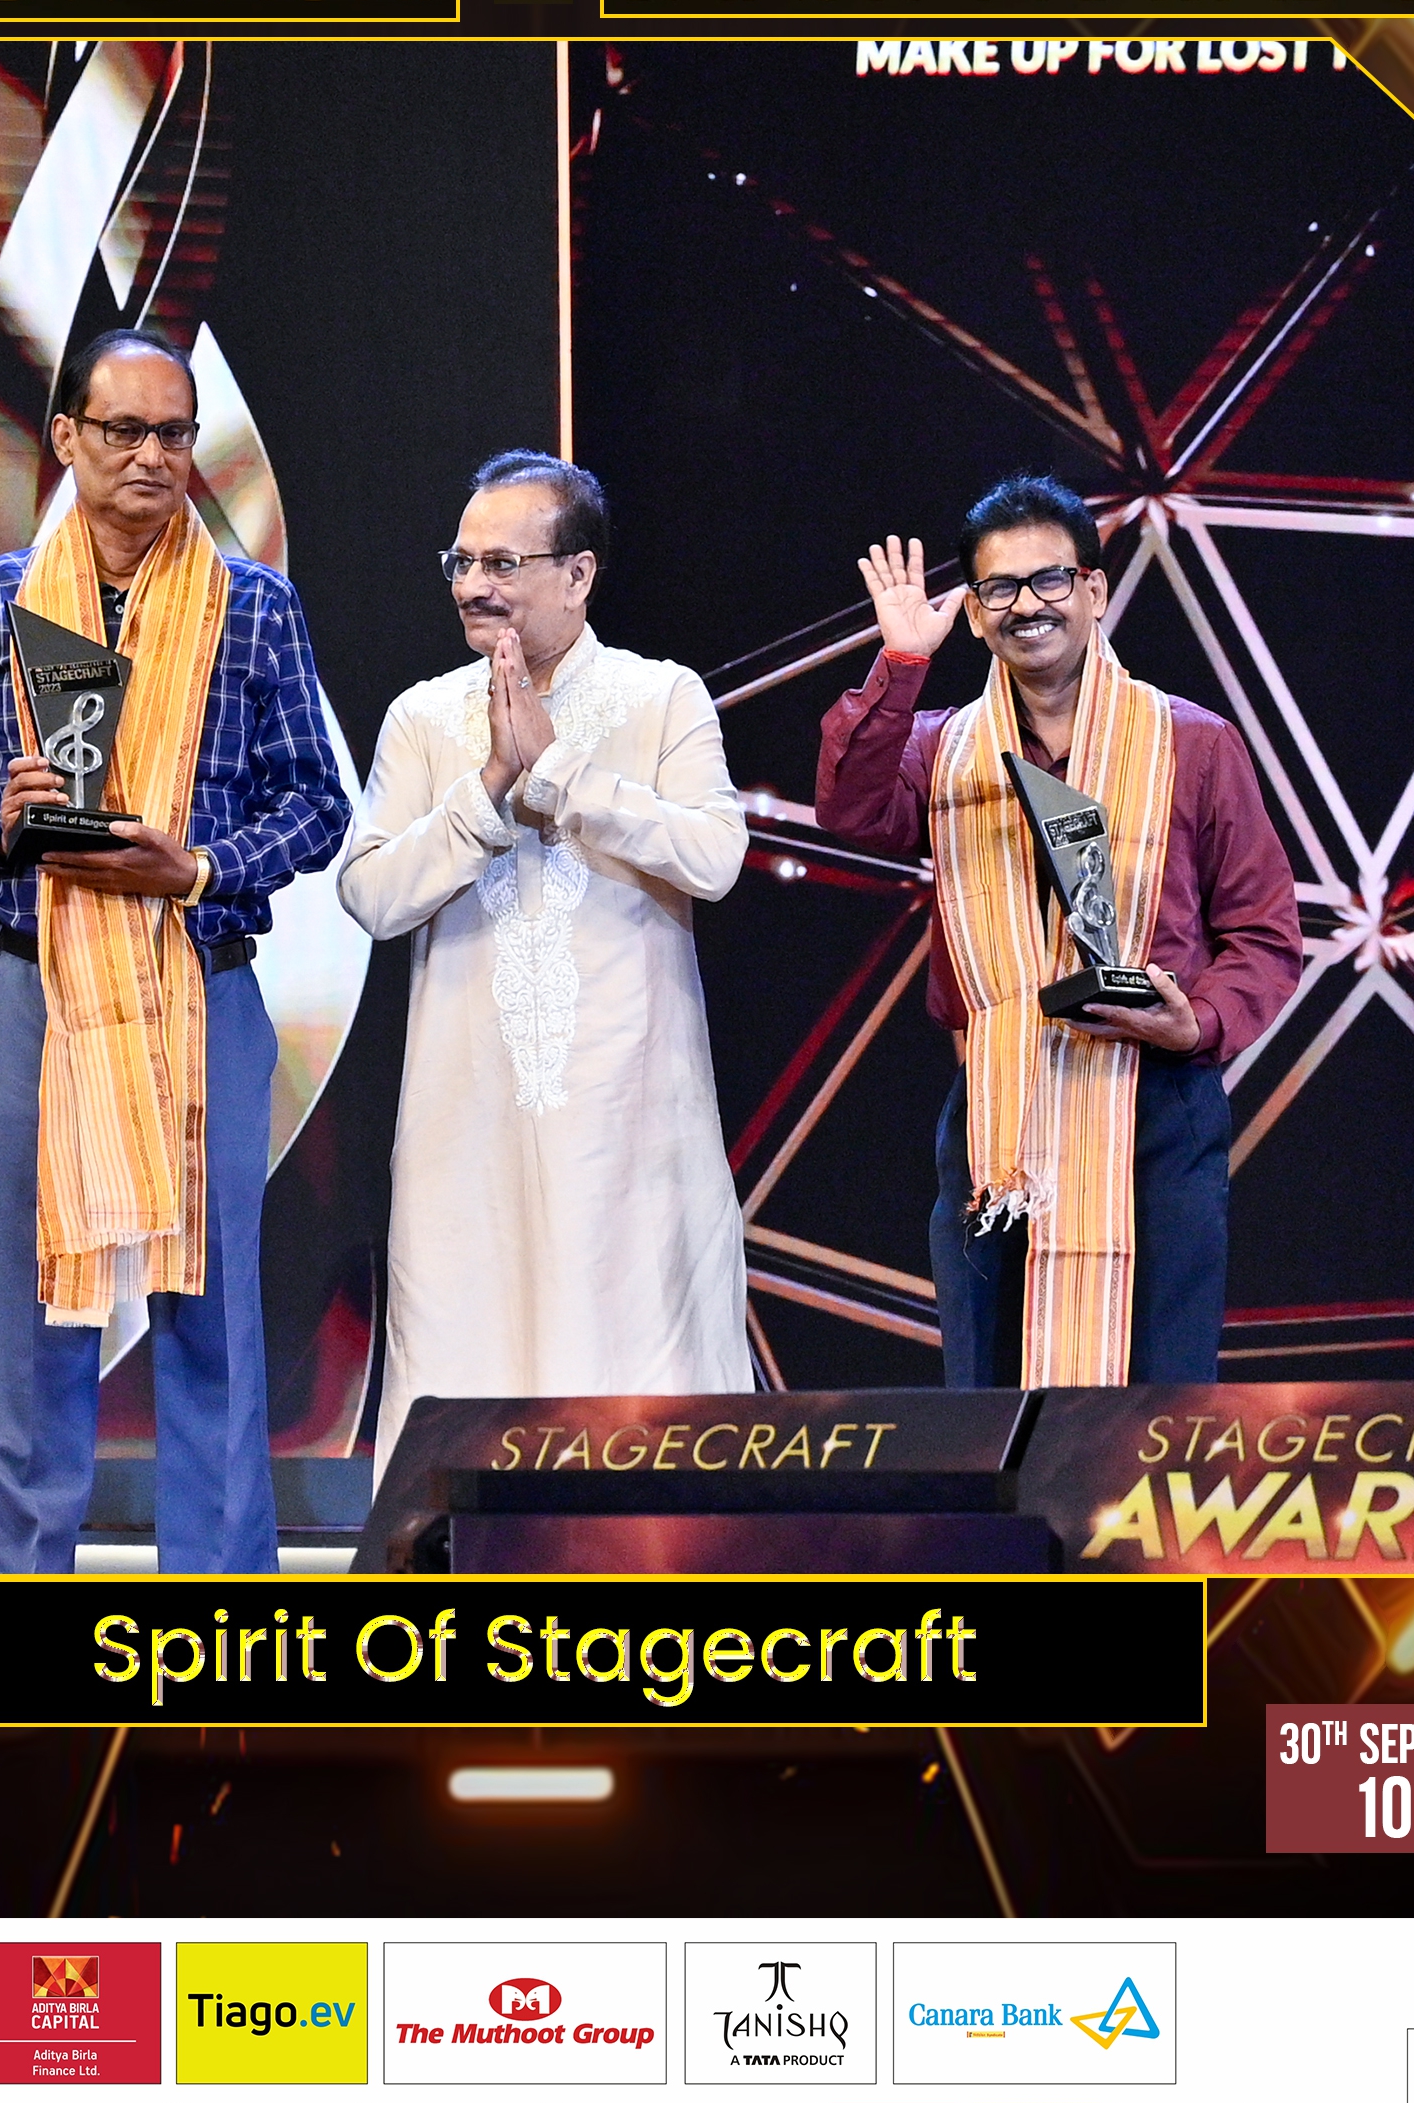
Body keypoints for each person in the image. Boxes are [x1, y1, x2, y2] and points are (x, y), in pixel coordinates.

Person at [0, 327, 349, 1570]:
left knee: (213, 1300)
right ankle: (30, 1581)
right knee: (30, 1306)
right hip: (41, 990)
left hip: (202, 978)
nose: (150, 456)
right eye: (123, 430)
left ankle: (219, 1603)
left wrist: (200, 867)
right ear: (67, 436)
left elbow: (318, 805)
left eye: (173, 433)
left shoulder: (252, 605)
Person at [814, 472, 1301, 1387]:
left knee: (1153, 1404)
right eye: (999, 588)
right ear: (973, 613)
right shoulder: (941, 747)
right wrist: (901, 664)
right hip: (997, 1114)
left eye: (1049, 580)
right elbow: (851, 808)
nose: (1027, 606)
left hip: (1156, 1106)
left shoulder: (1195, 743)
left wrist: (1194, 1023)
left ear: (1095, 590)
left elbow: (1265, 935)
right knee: (991, 1394)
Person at [337, 450, 752, 1476]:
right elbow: (371, 894)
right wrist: (488, 781)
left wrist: (560, 771)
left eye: (503, 563)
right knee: (467, 1363)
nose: (473, 585)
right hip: (466, 1129)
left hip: (631, 1127)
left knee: (638, 1375)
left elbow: (715, 857)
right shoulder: (424, 716)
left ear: (578, 574)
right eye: (462, 562)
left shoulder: (663, 697)